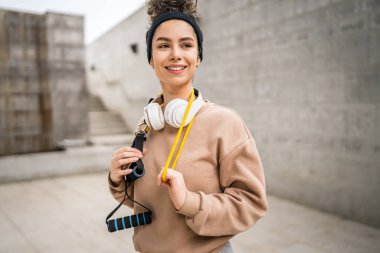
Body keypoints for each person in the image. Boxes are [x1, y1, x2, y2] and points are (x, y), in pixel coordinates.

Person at [108, 0, 268, 252]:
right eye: (163, 45)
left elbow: (251, 204)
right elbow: (142, 202)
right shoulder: (147, 124)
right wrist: (120, 181)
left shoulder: (225, 122)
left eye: (186, 44)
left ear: (198, 57)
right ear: (151, 59)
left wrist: (190, 202)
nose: (175, 54)